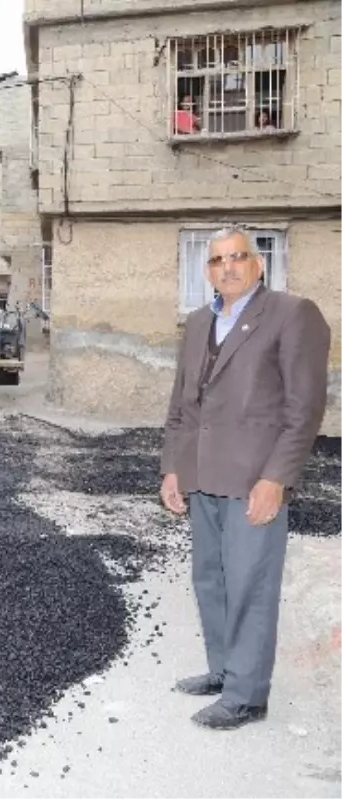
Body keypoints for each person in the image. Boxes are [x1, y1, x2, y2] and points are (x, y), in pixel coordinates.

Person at [160, 226, 331, 731]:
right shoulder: (196, 323)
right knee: (210, 578)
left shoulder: (291, 314)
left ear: (258, 264)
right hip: (203, 474)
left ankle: (248, 695)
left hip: (254, 477)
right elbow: (181, 406)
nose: (227, 267)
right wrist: (173, 467)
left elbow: (305, 410)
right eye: (216, 260)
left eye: (238, 257)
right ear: (206, 270)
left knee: (251, 583)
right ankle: (223, 670)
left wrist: (276, 478)